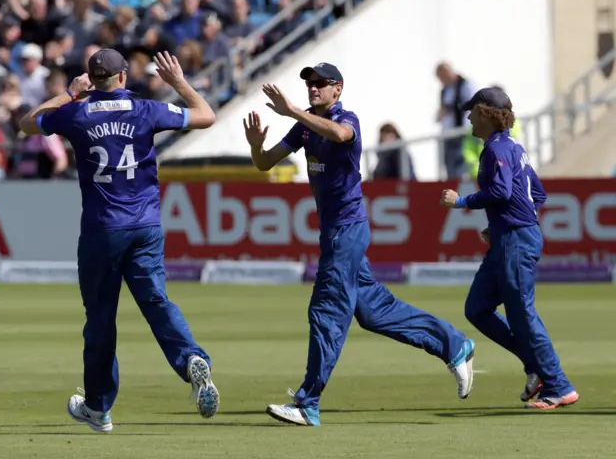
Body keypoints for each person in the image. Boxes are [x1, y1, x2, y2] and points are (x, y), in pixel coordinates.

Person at [243, 63, 476, 427]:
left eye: (321, 83)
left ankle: (308, 403)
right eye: (309, 83)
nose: (313, 88)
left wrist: (294, 112)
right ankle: (453, 344)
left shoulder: (346, 117)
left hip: (347, 232)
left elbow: (340, 134)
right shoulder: (304, 125)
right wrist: (257, 145)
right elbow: (264, 163)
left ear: (338, 88)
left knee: (325, 311)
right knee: (373, 312)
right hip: (335, 232)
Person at [19, 49, 220, 432]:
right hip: (145, 227)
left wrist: (69, 93)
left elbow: (28, 124)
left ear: (92, 80)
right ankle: (191, 359)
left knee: (100, 320)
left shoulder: (75, 112)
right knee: (157, 301)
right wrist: (177, 82)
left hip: (101, 231)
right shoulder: (146, 110)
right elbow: (206, 115)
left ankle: (98, 407)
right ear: (124, 77)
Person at [439, 87, 579, 410]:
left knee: (523, 317)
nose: (468, 117)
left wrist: (460, 202)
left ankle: (558, 385)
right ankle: (535, 366)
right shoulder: (512, 146)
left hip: (516, 240)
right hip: (510, 236)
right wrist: (503, 223)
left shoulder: (497, 149)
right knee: (476, 307)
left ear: (487, 113)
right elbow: (538, 194)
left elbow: (501, 191)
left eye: (472, 111)